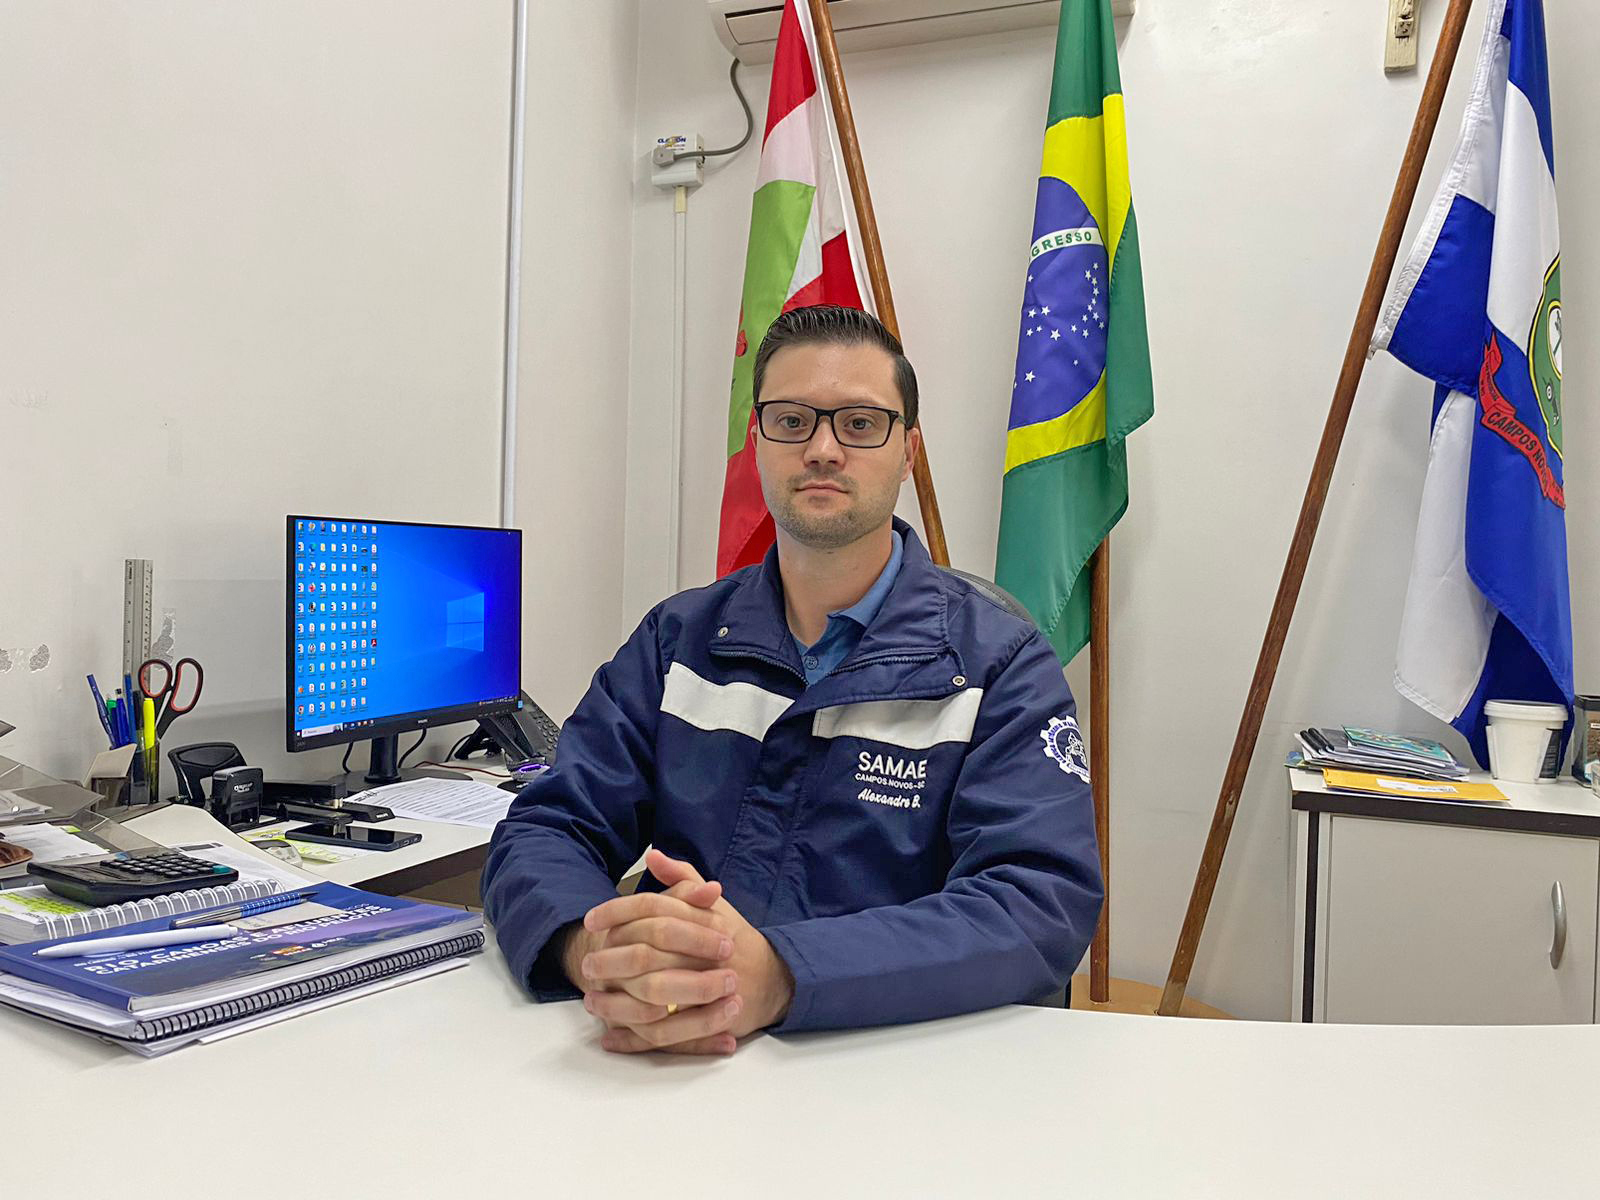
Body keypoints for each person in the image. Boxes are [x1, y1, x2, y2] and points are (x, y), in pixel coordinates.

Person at [482, 304, 1102, 1056]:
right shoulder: (678, 641)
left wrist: (781, 974)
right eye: (791, 421)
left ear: (908, 451)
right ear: (758, 441)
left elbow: (1036, 902)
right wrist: (596, 950)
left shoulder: (999, 665)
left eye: (861, 424)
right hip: (665, 1056)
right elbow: (548, 826)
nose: (823, 449)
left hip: (884, 1066)